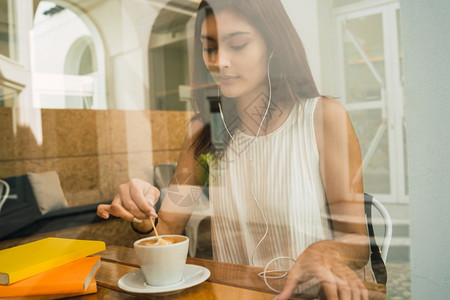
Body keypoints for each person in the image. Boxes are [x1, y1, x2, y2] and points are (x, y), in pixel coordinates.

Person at [98, 0, 374, 299]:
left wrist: (325, 251)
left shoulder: (322, 118)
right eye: (209, 47)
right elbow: (167, 228)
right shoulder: (206, 135)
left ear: (273, 44)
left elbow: (356, 243)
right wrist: (142, 215)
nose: (220, 61)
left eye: (238, 44)